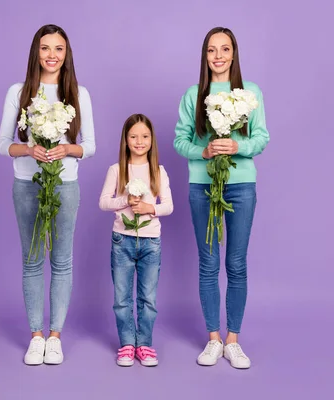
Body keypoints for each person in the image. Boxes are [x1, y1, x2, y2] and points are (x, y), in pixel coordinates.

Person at [0, 24, 95, 365]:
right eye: (45, 48)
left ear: (66, 55)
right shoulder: (19, 91)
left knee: (62, 260)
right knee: (32, 258)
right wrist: (29, 151)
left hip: (65, 186)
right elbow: (2, 145)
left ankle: (55, 336)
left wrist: (67, 148)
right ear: (35, 53)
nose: (51, 55)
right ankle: (35, 336)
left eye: (58, 49)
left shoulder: (78, 93)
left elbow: (90, 146)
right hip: (26, 186)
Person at [173, 27, 269, 369]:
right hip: (202, 186)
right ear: (205, 56)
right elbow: (179, 141)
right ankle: (213, 339)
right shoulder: (193, 95)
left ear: (234, 53)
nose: (218, 56)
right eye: (212, 50)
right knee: (208, 262)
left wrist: (237, 147)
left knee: (237, 263)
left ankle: (233, 341)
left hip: (241, 186)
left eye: (224, 49)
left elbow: (262, 137)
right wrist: (204, 151)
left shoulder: (250, 92)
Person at [99, 114, 173, 367]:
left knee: (148, 298)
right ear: (125, 140)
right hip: (122, 240)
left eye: (144, 136)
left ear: (152, 140)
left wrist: (149, 208)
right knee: (122, 298)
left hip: (151, 242)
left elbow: (169, 206)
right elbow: (103, 202)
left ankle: (145, 344)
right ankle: (127, 344)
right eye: (133, 137)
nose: (139, 141)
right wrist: (125, 202)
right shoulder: (116, 170)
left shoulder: (158, 171)